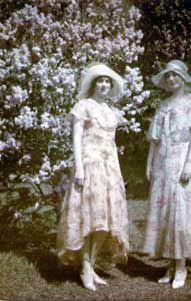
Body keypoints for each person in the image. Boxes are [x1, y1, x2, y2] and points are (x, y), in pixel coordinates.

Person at [57, 63, 129, 291]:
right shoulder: (83, 106)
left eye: (108, 81)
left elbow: (113, 143)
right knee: (90, 218)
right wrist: (79, 168)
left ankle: (91, 264)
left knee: (106, 222)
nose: (104, 85)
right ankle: (85, 269)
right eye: (100, 81)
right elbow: (76, 139)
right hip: (89, 165)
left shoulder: (110, 112)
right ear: (93, 84)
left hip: (109, 168)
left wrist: (118, 173)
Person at [143, 59, 191, 289]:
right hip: (163, 161)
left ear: (184, 78)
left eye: (175, 75)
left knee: (180, 211)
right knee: (165, 211)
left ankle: (181, 266)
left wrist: (190, 163)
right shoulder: (163, 105)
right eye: (168, 76)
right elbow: (154, 140)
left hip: (183, 159)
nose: (172, 79)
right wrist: (150, 163)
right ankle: (171, 265)